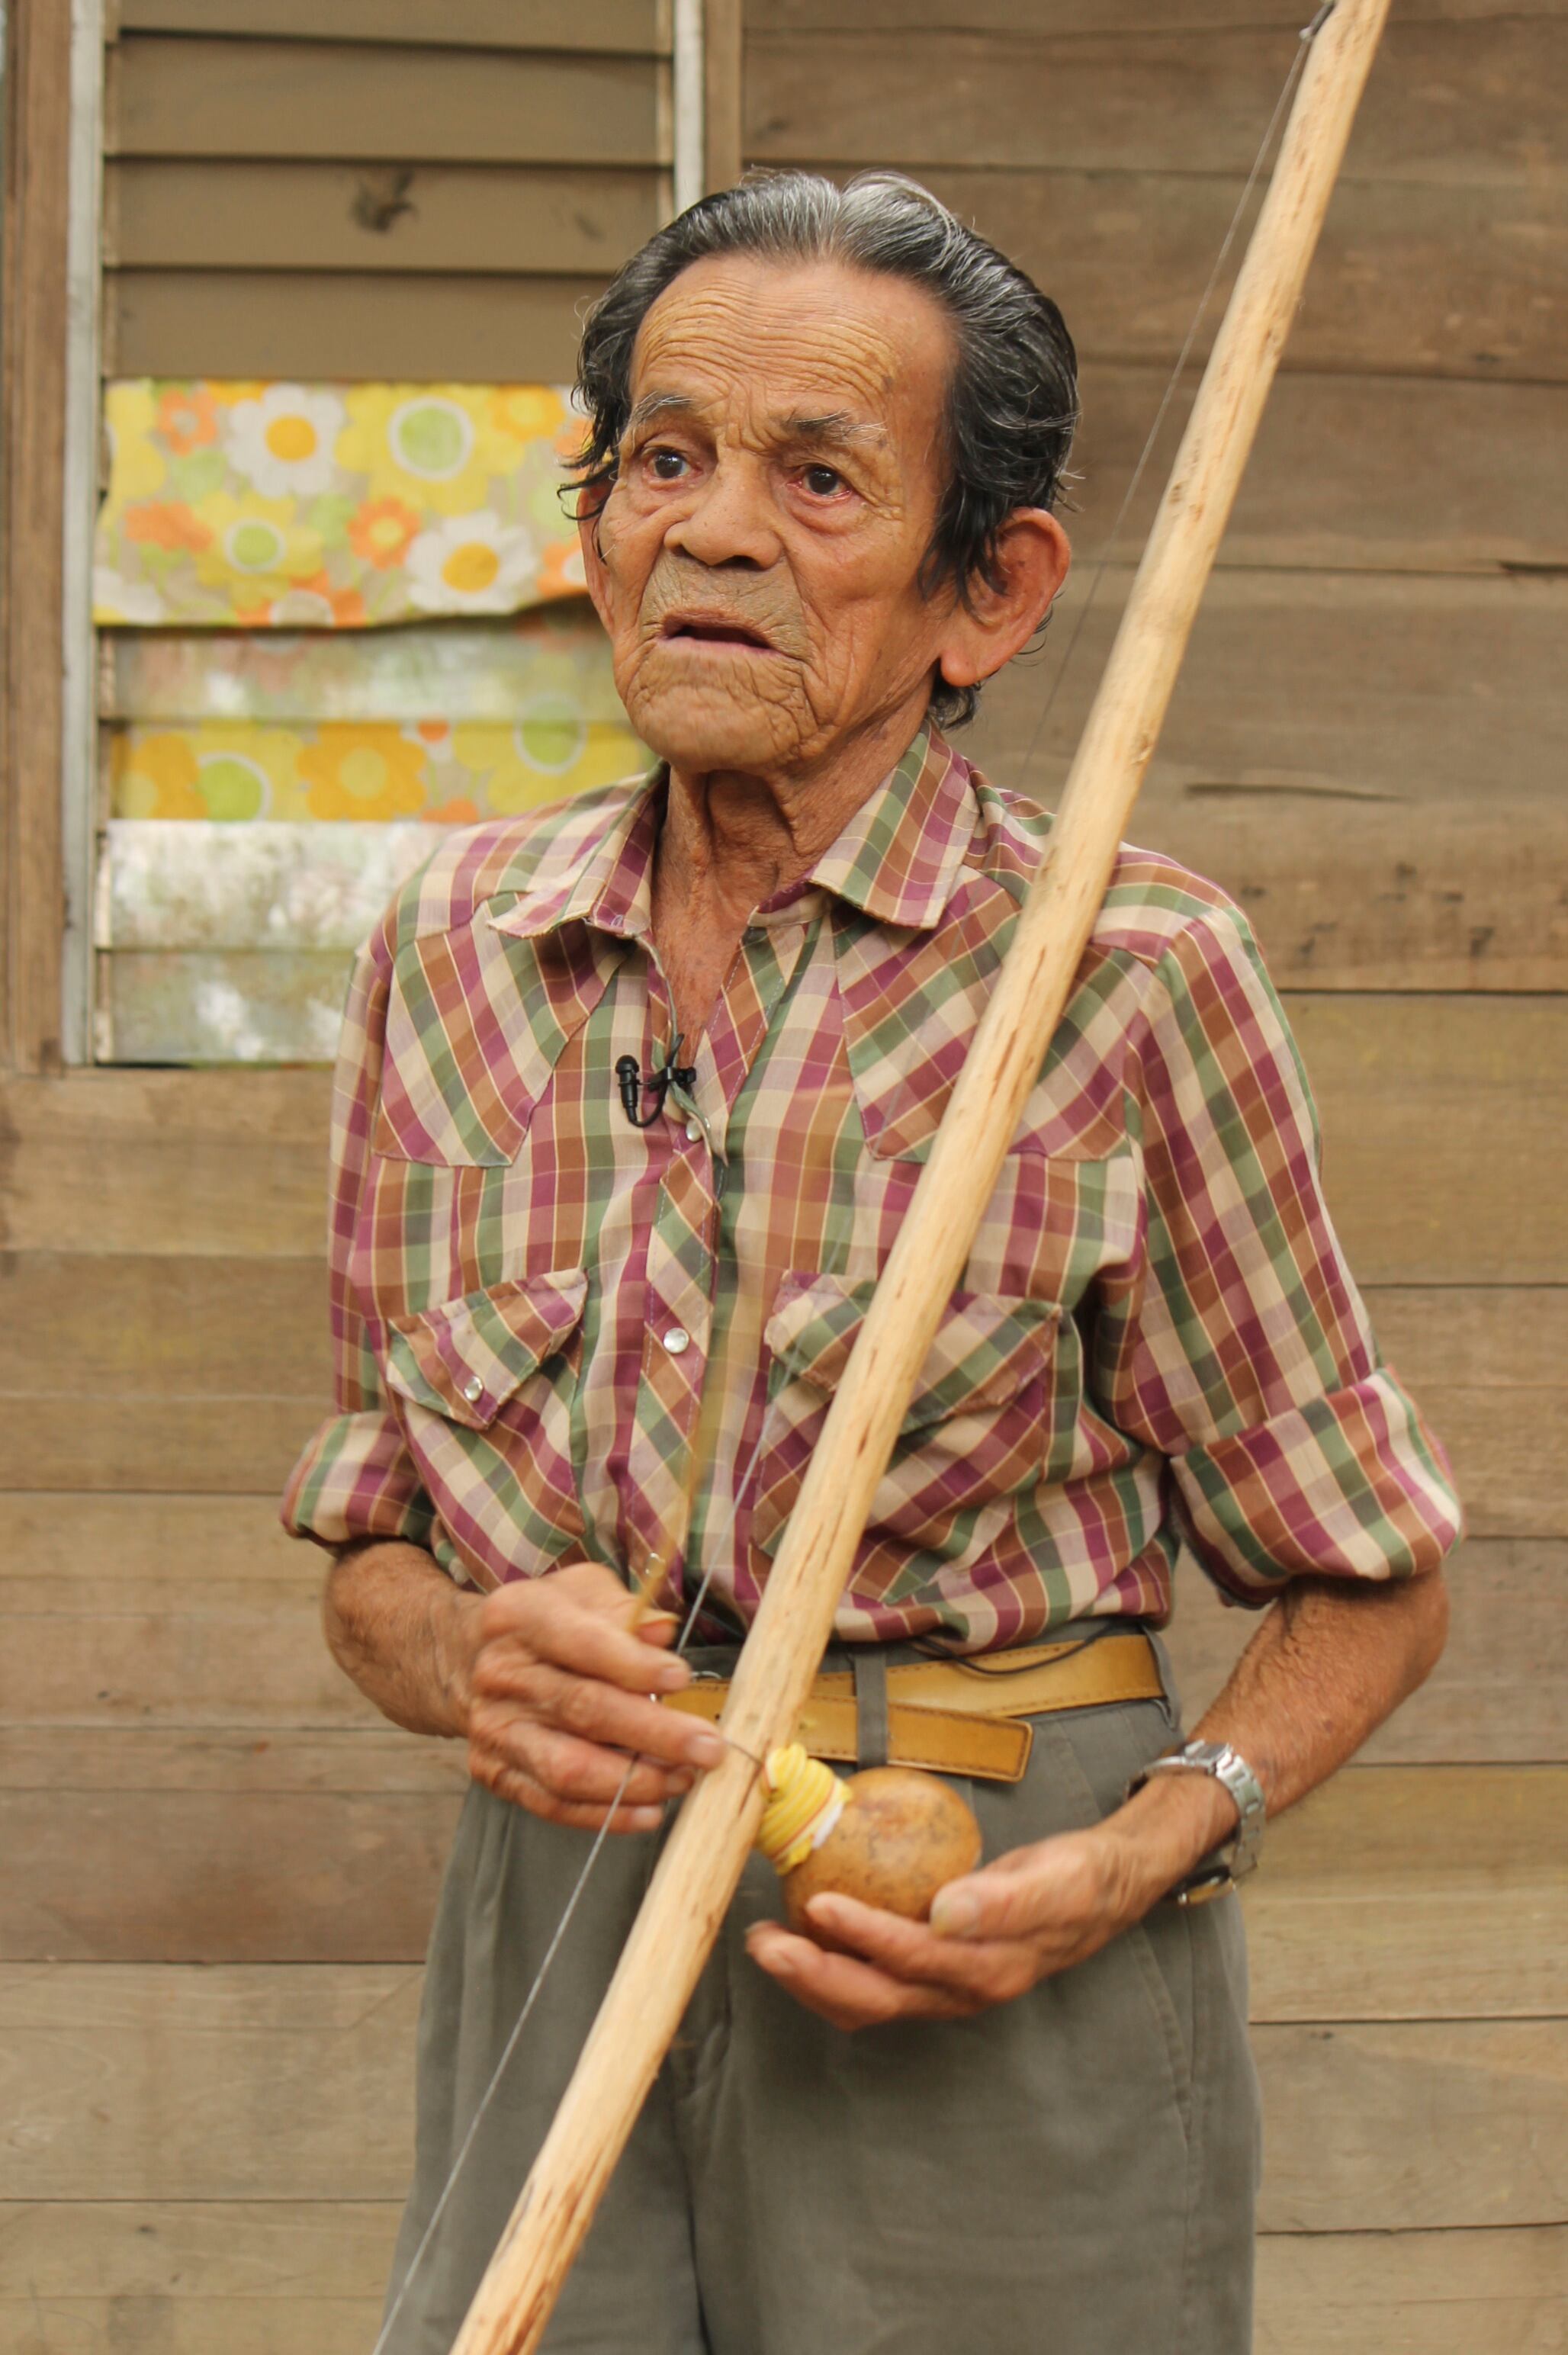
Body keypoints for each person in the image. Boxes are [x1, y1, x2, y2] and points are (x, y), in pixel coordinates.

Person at [282, 172, 1460, 2355]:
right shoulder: (457, 953)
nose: (712, 532)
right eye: (663, 458)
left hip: (980, 1926)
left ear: (987, 596)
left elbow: (1368, 1579)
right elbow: (367, 1552)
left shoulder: (1127, 972)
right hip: (558, 1914)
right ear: (595, 521)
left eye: (818, 479)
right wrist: (466, 1662)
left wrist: (1150, 1851)